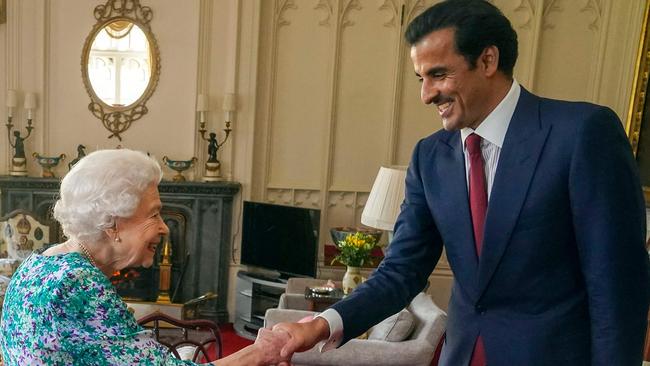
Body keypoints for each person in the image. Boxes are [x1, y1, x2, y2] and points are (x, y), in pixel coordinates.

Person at [270, 1, 650, 365]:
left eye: (438, 74)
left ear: (488, 60)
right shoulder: (429, 158)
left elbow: (617, 289)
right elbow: (400, 271)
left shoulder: (582, 134)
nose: (425, 94)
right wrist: (324, 324)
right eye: (421, 78)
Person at [0, 149, 289, 365]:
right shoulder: (78, 283)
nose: (164, 226)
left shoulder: (37, 264)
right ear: (113, 223)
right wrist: (261, 352)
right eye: (153, 214)